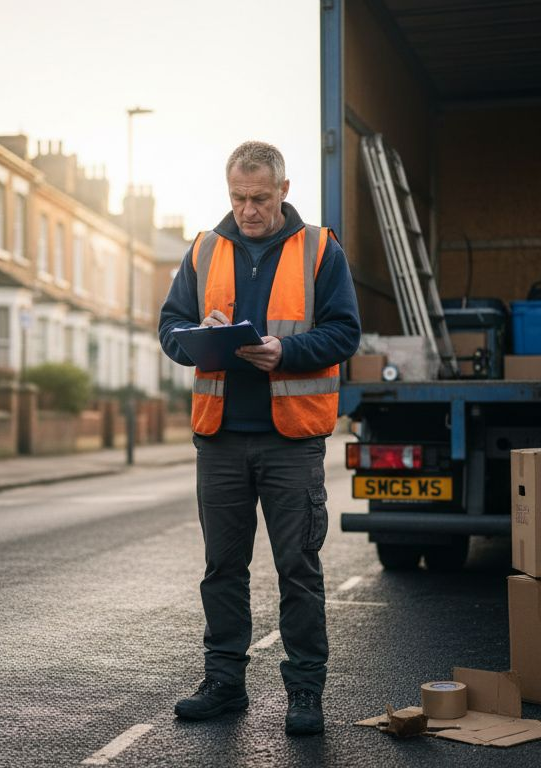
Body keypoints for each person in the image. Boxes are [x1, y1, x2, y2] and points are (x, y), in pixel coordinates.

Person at [158, 141, 361, 736]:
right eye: (238, 198)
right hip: (219, 440)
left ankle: (305, 692)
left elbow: (345, 333)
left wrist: (284, 351)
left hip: (290, 441)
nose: (247, 210)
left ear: (284, 191)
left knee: (298, 566)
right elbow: (169, 329)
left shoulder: (320, 250)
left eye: (259, 199)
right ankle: (224, 683)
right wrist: (198, 336)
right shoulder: (203, 249)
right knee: (223, 567)